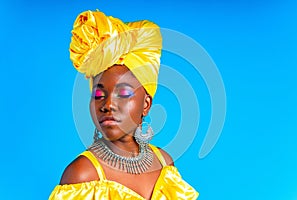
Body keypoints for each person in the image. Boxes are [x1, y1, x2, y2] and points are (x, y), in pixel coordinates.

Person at [49, 10, 199, 200]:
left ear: (146, 105)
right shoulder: (83, 176)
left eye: (124, 93)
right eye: (98, 94)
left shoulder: (164, 164)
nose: (108, 104)